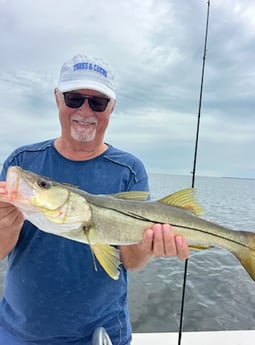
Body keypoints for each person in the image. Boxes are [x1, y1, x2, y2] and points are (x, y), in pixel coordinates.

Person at [0, 53, 189, 345]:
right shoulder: (21, 161)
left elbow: (130, 262)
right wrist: (7, 226)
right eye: (74, 98)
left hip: (100, 335)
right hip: (19, 334)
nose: (85, 111)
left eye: (98, 102)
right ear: (57, 99)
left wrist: (149, 245)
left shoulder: (130, 169)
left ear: (111, 107)